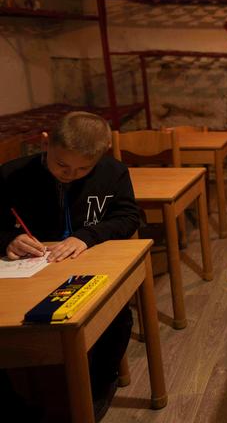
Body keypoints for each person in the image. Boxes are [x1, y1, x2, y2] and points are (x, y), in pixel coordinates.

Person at [0, 111, 141, 421]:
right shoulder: (12, 175)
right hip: (29, 270)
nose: (70, 174)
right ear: (45, 143)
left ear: (101, 154)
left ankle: (99, 386)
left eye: (83, 169)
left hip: (88, 265)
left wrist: (88, 236)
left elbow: (129, 217)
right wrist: (9, 239)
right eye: (61, 165)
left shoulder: (112, 172)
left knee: (116, 314)